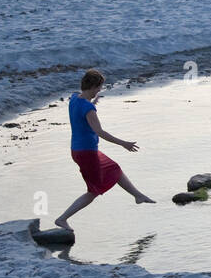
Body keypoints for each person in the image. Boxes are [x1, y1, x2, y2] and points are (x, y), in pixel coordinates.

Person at [55, 68, 154, 230]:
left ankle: (138, 196)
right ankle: (62, 219)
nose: (99, 91)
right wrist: (124, 143)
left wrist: (92, 104)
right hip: (87, 153)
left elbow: (80, 113)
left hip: (78, 150)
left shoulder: (74, 99)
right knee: (93, 191)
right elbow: (100, 132)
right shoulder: (88, 109)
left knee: (114, 168)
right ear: (93, 87)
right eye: (99, 88)